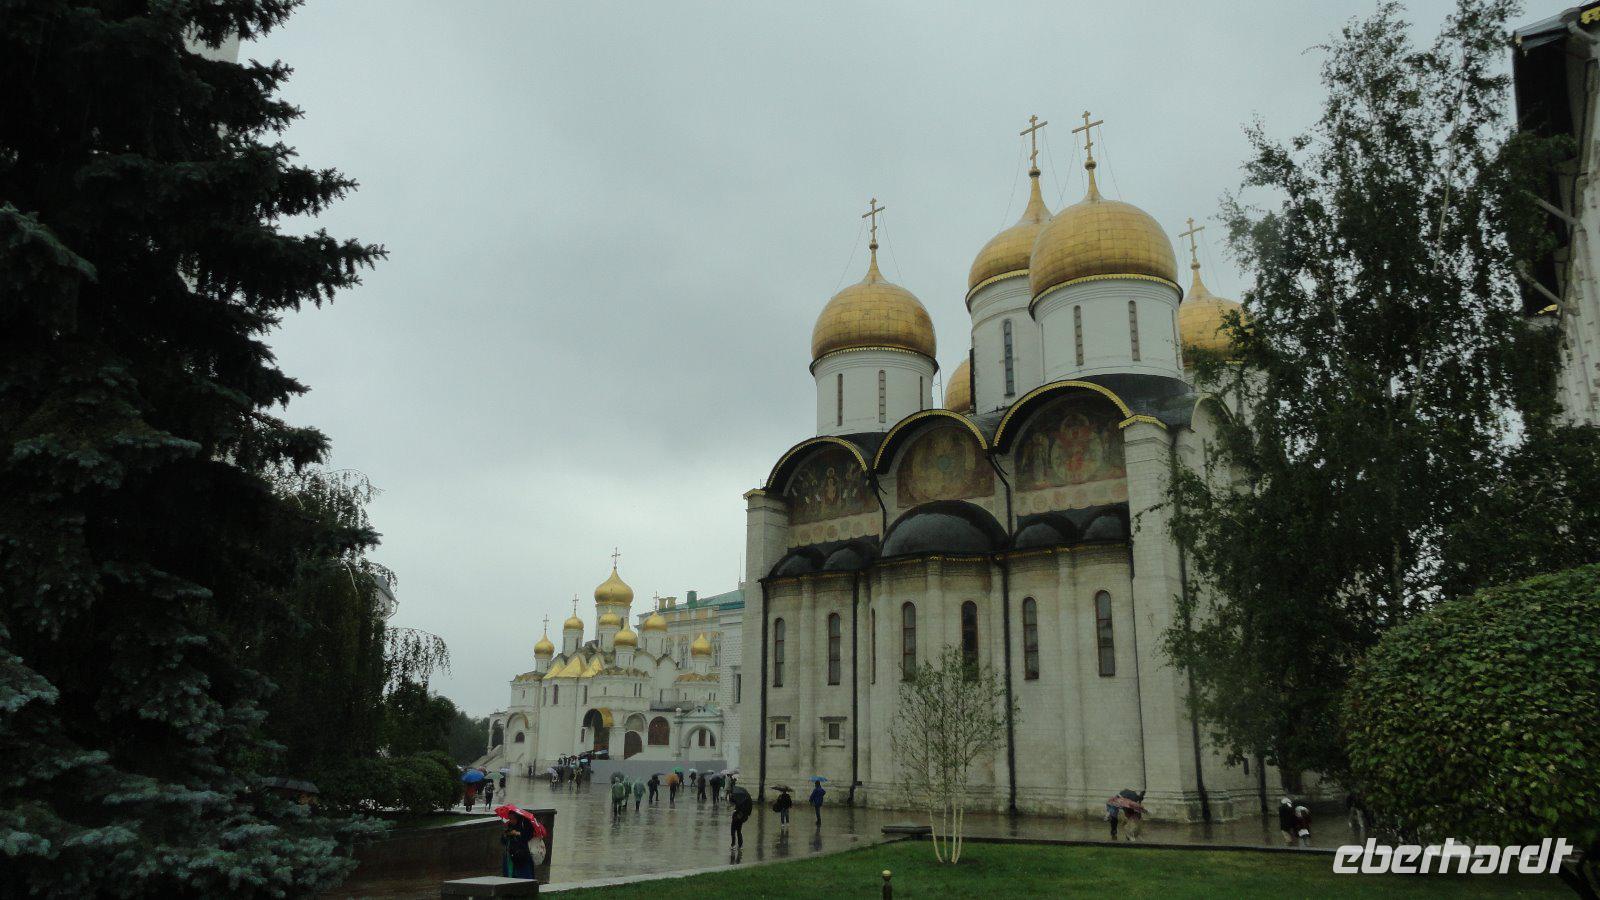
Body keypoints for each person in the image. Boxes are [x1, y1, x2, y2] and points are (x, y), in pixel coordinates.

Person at [501, 815, 536, 880]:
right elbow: (503, 841)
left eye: (513, 819)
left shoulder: (525, 824)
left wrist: (517, 833)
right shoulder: (509, 826)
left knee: (524, 875)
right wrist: (506, 835)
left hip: (522, 855)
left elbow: (528, 836)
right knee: (510, 874)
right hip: (511, 855)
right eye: (510, 819)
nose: (511, 821)